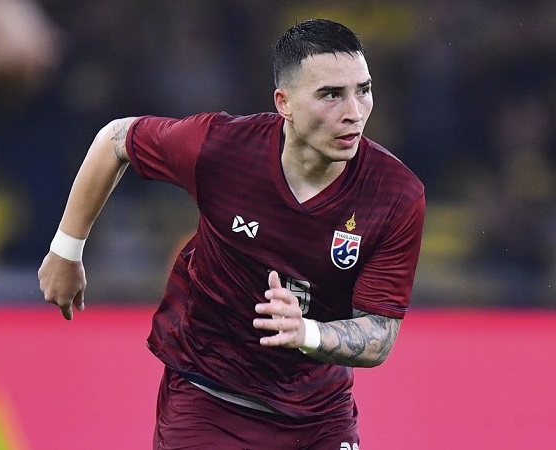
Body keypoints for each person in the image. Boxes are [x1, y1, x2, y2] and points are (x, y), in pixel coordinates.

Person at [38, 18, 425, 449]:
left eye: (363, 90)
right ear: (284, 103)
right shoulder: (220, 148)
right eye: (331, 94)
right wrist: (65, 251)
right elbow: (116, 139)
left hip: (319, 417)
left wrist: (307, 333)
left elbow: (379, 334)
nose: (354, 112)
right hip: (208, 400)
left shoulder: (395, 195)